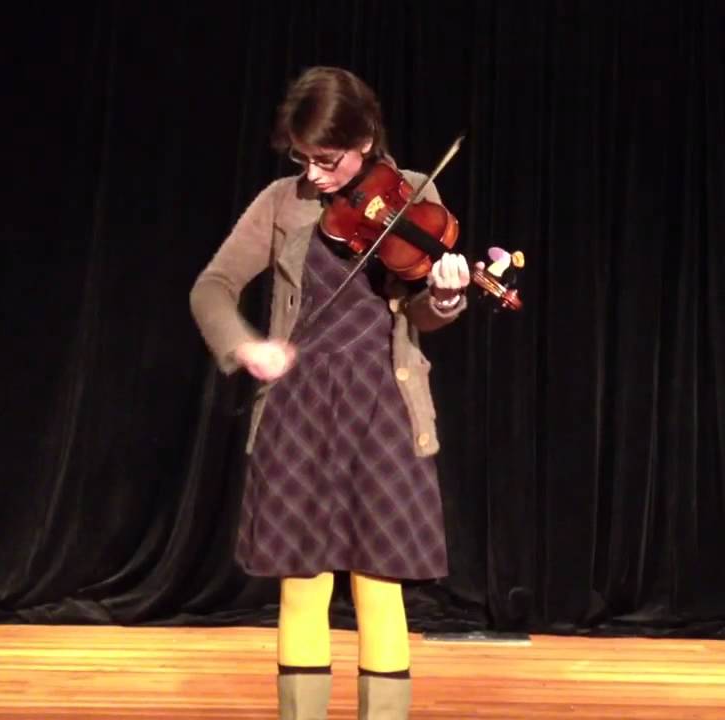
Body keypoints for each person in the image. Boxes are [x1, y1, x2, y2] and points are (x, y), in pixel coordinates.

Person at [189, 66, 470, 720]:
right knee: (303, 586)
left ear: (365, 140)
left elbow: (421, 312)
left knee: (379, 587)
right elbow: (212, 287)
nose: (313, 173)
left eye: (327, 159)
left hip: (385, 411)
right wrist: (245, 346)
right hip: (299, 412)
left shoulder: (414, 193)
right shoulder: (280, 202)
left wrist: (446, 297)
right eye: (302, 158)